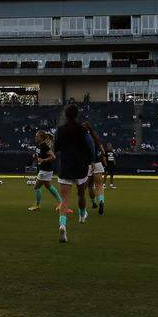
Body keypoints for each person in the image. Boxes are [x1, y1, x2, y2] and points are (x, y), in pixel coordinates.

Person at [53, 104, 94, 243]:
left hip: (65, 166)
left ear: (65, 115)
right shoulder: (83, 130)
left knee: (64, 200)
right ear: (77, 115)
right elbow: (89, 146)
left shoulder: (60, 130)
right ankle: (82, 215)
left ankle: (63, 225)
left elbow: (56, 147)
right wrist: (91, 161)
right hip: (80, 167)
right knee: (81, 193)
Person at [27, 130, 63, 212]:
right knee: (48, 186)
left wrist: (43, 160)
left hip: (45, 170)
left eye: (37, 136)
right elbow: (40, 156)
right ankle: (61, 202)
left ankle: (37, 205)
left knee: (36, 187)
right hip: (45, 170)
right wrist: (36, 157)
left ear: (42, 138)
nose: (35, 137)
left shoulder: (44, 146)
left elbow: (53, 157)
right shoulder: (39, 146)